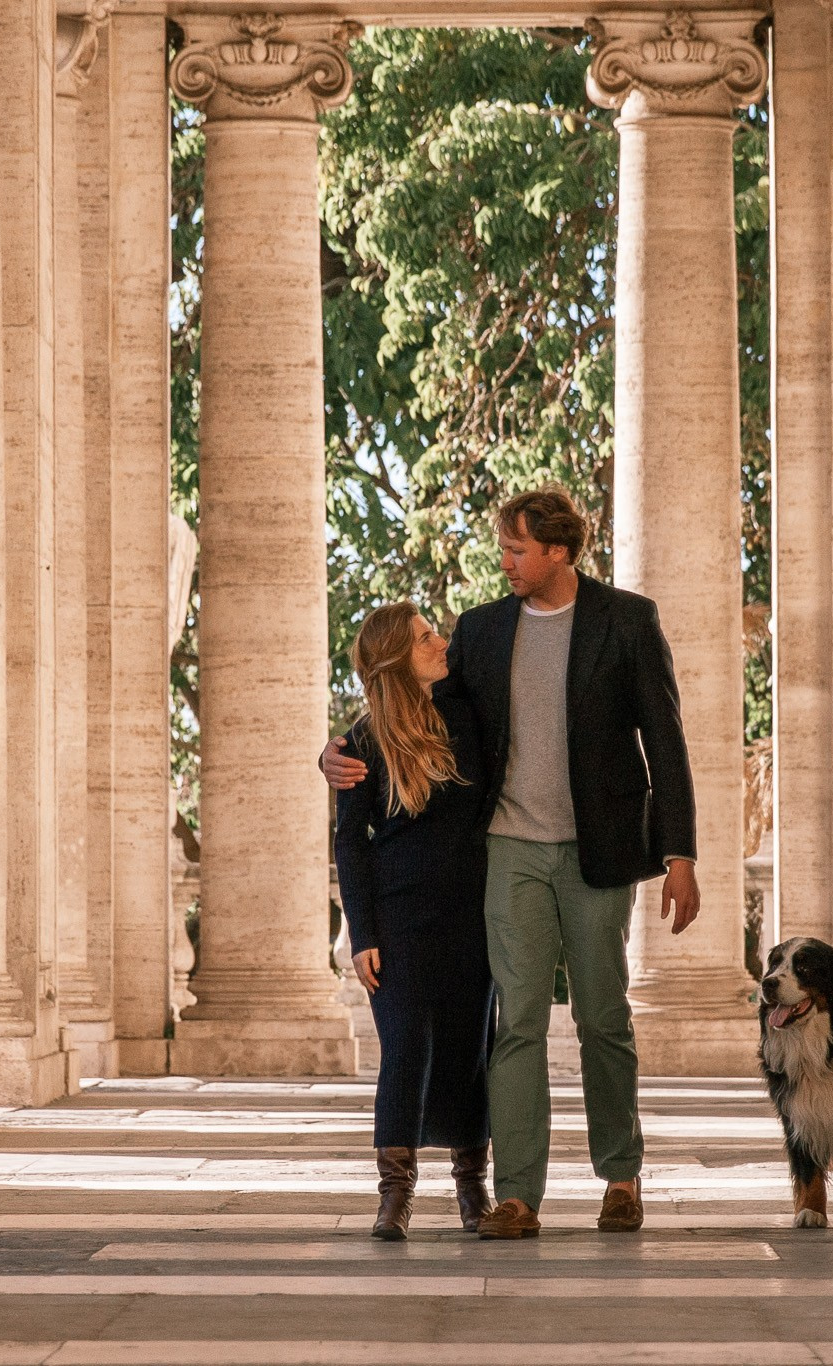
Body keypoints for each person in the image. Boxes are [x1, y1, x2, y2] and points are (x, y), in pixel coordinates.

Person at [324, 487, 700, 1240]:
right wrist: (336, 752)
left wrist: (680, 851)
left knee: (604, 1019)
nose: (504, 562)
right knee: (517, 1024)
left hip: (602, 853)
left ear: (559, 552)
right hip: (509, 849)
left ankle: (620, 1179)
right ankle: (517, 1194)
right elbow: (404, 708)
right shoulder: (485, 631)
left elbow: (666, 740)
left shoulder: (628, 620)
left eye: (517, 550)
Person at [333, 602, 497, 1240]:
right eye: (426, 637)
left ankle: (471, 1188)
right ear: (399, 657)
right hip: (398, 922)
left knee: (469, 1050)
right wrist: (363, 933)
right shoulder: (364, 740)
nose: (440, 641)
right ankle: (393, 1196)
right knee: (405, 1050)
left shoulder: (466, 713)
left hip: (474, 915)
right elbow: (351, 844)